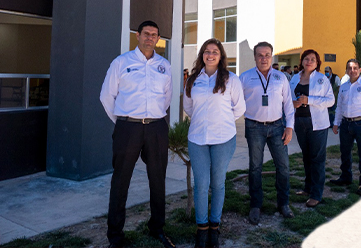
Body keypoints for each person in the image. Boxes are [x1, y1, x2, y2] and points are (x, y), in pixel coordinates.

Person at [100, 21, 175, 248]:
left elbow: (167, 97)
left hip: (156, 128)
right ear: (137, 36)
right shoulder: (121, 62)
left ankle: (157, 228)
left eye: (154, 35)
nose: (150, 38)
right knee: (121, 181)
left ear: (158, 38)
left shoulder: (164, 65)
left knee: (158, 180)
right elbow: (106, 96)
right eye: (146, 34)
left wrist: (153, 119)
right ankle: (115, 235)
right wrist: (123, 122)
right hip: (128, 128)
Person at [183, 38, 246, 248]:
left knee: (218, 183)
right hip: (198, 139)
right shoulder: (193, 80)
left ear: (221, 56)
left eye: (215, 52)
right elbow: (189, 108)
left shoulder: (231, 80)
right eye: (207, 51)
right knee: (201, 184)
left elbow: (239, 108)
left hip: (223, 139)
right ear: (202, 55)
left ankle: (214, 227)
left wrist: (222, 121)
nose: (211, 55)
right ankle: (202, 229)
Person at [240, 41, 295, 225]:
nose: (264, 58)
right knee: (255, 167)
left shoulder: (281, 78)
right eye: (260, 55)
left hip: (278, 126)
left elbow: (288, 104)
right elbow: (236, 102)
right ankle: (255, 205)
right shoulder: (245, 77)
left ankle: (283, 203)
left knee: (284, 166)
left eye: (267, 55)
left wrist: (289, 127)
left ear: (272, 56)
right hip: (254, 127)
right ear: (255, 57)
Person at [290, 50, 334, 207]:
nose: (309, 61)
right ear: (302, 61)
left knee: (317, 159)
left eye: (313, 60)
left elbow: (330, 101)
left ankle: (317, 194)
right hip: (299, 122)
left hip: (317, 124)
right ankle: (308, 188)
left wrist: (310, 100)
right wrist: (292, 103)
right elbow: (288, 97)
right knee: (306, 157)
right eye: (306, 59)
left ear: (317, 63)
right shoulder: (295, 78)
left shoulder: (322, 79)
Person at [331, 58, 361, 196]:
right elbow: (339, 107)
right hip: (345, 124)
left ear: (360, 70)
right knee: (345, 152)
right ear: (346, 71)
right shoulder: (343, 87)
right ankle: (346, 177)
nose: (352, 71)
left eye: (355, 68)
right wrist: (336, 123)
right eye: (350, 68)